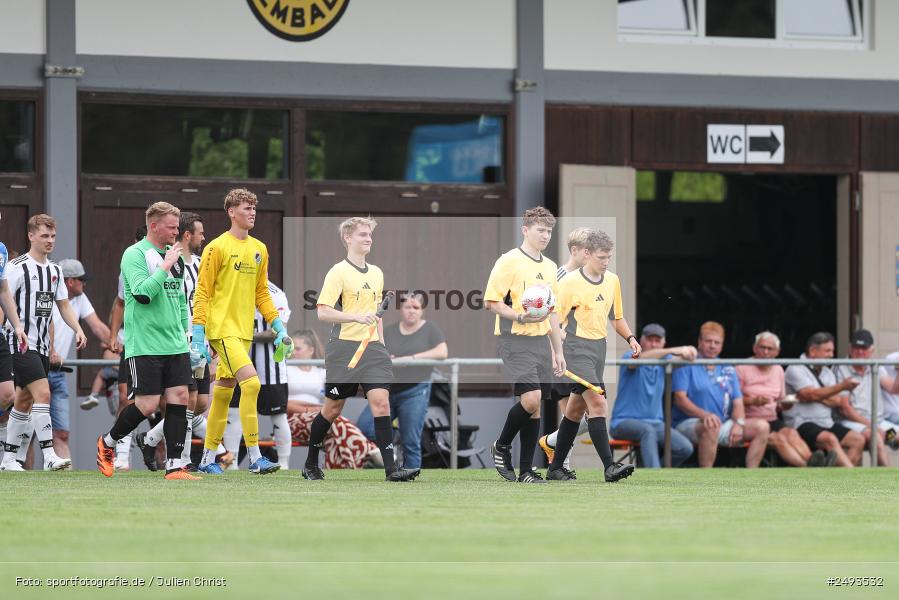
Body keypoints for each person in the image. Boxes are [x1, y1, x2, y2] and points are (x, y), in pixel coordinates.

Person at [308, 216, 419, 482]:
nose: (368, 239)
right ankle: (311, 463)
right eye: (362, 235)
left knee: (381, 403)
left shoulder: (377, 272)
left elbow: (376, 316)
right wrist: (354, 318)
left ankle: (391, 470)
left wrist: (381, 344)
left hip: (373, 350)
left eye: (370, 235)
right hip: (343, 350)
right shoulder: (338, 272)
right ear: (348, 238)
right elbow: (323, 312)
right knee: (333, 409)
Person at [95, 202, 197, 480]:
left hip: (175, 342)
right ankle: (108, 442)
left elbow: (178, 299)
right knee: (148, 405)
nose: (177, 231)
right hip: (145, 343)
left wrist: (186, 334)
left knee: (181, 398)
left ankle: (175, 465)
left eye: (178, 226)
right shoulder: (134, 254)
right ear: (154, 226)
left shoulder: (173, 254)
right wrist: (164, 267)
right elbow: (141, 294)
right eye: (172, 227)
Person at [192, 188, 286, 476]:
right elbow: (203, 291)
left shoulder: (259, 249)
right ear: (231, 212)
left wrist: (278, 326)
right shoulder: (216, 247)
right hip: (222, 330)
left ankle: (208, 459)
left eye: (254, 208)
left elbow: (262, 293)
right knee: (253, 384)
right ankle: (256, 457)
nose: (252, 212)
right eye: (246, 208)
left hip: (243, 332)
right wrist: (198, 333)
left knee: (221, 395)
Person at [546, 228, 639, 482]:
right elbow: (552, 319)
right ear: (586, 254)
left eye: (609, 257)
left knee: (575, 412)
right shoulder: (568, 283)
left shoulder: (613, 281)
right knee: (598, 403)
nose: (606, 262)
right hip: (576, 351)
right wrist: (559, 348)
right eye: (601, 257)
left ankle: (555, 468)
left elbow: (616, 317)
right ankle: (610, 467)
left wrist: (630, 338)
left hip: (599, 350)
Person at [484, 207, 565, 484]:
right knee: (530, 400)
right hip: (513, 339)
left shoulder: (551, 267)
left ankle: (527, 471)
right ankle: (502, 444)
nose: (545, 235)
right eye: (540, 230)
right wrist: (519, 315)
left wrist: (558, 351)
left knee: (536, 407)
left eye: (549, 231)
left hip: (541, 342)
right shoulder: (509, 261)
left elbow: (552, 312)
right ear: (525, 230)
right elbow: (491, 302)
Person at [1, 214, 86, 472]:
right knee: (43, 394)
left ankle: (7, 460)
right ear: (31, 236)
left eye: (52, 236)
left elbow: (62, 306)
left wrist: (78, 328)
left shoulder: (55, 270)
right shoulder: (17, 267)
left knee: (24, 401)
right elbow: (5, 298)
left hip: (42, 346)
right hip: (20, 343)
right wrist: (13, 327)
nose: (49, 241)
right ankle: (49, 455)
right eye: (44, 235)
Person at [135, 212, 218, 472]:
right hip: (179, 338)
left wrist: (210, 336)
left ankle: (150, 439)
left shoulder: (203, 262)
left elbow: (209, 299)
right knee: (187, 397)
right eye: (200, 233)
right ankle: (180, 460)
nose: (203, 237)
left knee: (201, 401)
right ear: (187, 235)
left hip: (201, 336)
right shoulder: (169, 261)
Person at [357, 292, 447, 470]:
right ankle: (392, 455)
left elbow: (442, 352)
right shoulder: (389, 330)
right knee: (365, 428)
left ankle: (411, 474)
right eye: (407, 307)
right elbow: (373, 349)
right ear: (400, 309)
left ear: (422, 311)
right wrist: (385, 357)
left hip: (415, 389)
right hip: (386, 389)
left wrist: (411, 358)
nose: (411, 311)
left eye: (416, 308)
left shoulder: (430, 329)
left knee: (411, 440)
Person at [672, 322, 770, 468]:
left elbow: (738, 402)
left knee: (763, 426)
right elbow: (680, 400)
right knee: (711, 425)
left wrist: (739, 423)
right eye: (708, 341)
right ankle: (706, 480)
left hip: (723, 423)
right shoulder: (686, 364)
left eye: (717, 342)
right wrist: (705, 415)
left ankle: (752, 477)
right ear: (699, 342)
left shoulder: (728, 367)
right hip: (688, 423)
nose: (712, 346)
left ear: (722, 345)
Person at [42, 258, 111, 461]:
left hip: (59, 372)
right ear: (70, 282)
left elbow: (97, 327)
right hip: (38, 370)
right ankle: (20, 472)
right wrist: (51, 351)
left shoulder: (80, 299)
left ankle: (63, 482)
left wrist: (118, 345)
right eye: (81, 280)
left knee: (62, 433)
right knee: (28, 432)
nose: (84, 283)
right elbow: (42, 327)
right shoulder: (47, 296)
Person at [285, 329, 382, 469]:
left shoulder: (320, 372)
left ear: (311, 350)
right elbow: (283, 403)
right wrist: (312, 409)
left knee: (333, 439)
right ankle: (371, 451)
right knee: (335, 420)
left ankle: (335, 473)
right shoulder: (286, 369)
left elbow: (332, 397)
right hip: (293, 421)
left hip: (318, 418)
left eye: (298, 349)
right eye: (292, 348)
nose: (294, 352)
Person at [736, 331, 834, 467]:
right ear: (754, 348)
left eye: (770, 349)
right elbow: (732, 400)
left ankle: (812, 460)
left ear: (777, 352)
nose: (765, 352)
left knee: (791, 433)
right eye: (762, 347)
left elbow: (779, 402)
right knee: (779, 439)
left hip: (771, 419)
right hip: (749, 421)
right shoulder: (742, 367)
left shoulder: (778, 370)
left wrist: (786, 404)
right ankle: (811, 469)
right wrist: (753, 401)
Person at [223, 280, 292, 470]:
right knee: (234, 412)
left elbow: (279, 329)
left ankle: (284, 463)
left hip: (270, 367)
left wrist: (246, 337)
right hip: (239, 362)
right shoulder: (235, 286)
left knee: (278, 415)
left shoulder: (275, 292)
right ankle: (231, 464)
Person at [539, 227, 591, 473]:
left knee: (587, 416)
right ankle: (562, 467)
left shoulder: (585, 279)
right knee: (572, 413)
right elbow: (543, 313)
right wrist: (555, 343)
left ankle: (551, 443)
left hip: (578, 354)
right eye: (586, 251)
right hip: (559, 354)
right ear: (574, 250)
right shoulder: (558, 277)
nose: (591, 255)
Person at [609, 323, 696, 468]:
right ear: (641, 341)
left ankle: (653, 473)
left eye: (657, 340)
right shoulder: (631, 356)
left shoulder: (664, 361)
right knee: (647, 431)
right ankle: (654, 475)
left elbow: (689, 358)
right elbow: (639, 359)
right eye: (650, 340)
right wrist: (676, 350)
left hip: (655, 424)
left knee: (685, 448)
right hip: (622, 423)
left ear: (663, 343)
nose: (653, 344)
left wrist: (690, 351)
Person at [101, 224, 147, 470]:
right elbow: (119, 303)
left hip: (161, 343)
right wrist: (113, 335)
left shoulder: (171, 262)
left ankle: (155, 443)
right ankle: (121, 455)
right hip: (133, 344)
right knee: (126, 399)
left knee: (170, 401)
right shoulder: (129, 264)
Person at [782, 331, 866, 467]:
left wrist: (816, 394)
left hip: (829, 422)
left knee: (859, 439)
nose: (831, 356)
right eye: (827, 351)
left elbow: (837, 401)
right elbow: (810, 395)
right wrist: (839, 387)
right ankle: (852, 479)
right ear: (813, 351)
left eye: (832, 351)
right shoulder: (795, 368)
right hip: (802, 422)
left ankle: (839, 482)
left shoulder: (827, 372)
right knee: (830, 438)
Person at [832, 329, 895, 466]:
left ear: (871, 350)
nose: (860, 352)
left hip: (880, 424)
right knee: (876, 438)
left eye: (864, 348)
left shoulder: (875, 365)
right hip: (852, 423)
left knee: (894, 436)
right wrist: (873, 426)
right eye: (856, 347)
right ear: (850, 348)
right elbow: (845, 409)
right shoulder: (840, 368)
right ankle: (889, 483)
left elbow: (893, 388)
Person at [0, 210, 29, 467]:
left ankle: (6, 455)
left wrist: (17, 325)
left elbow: (3, 289)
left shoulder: (1, 250)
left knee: (8, 393)